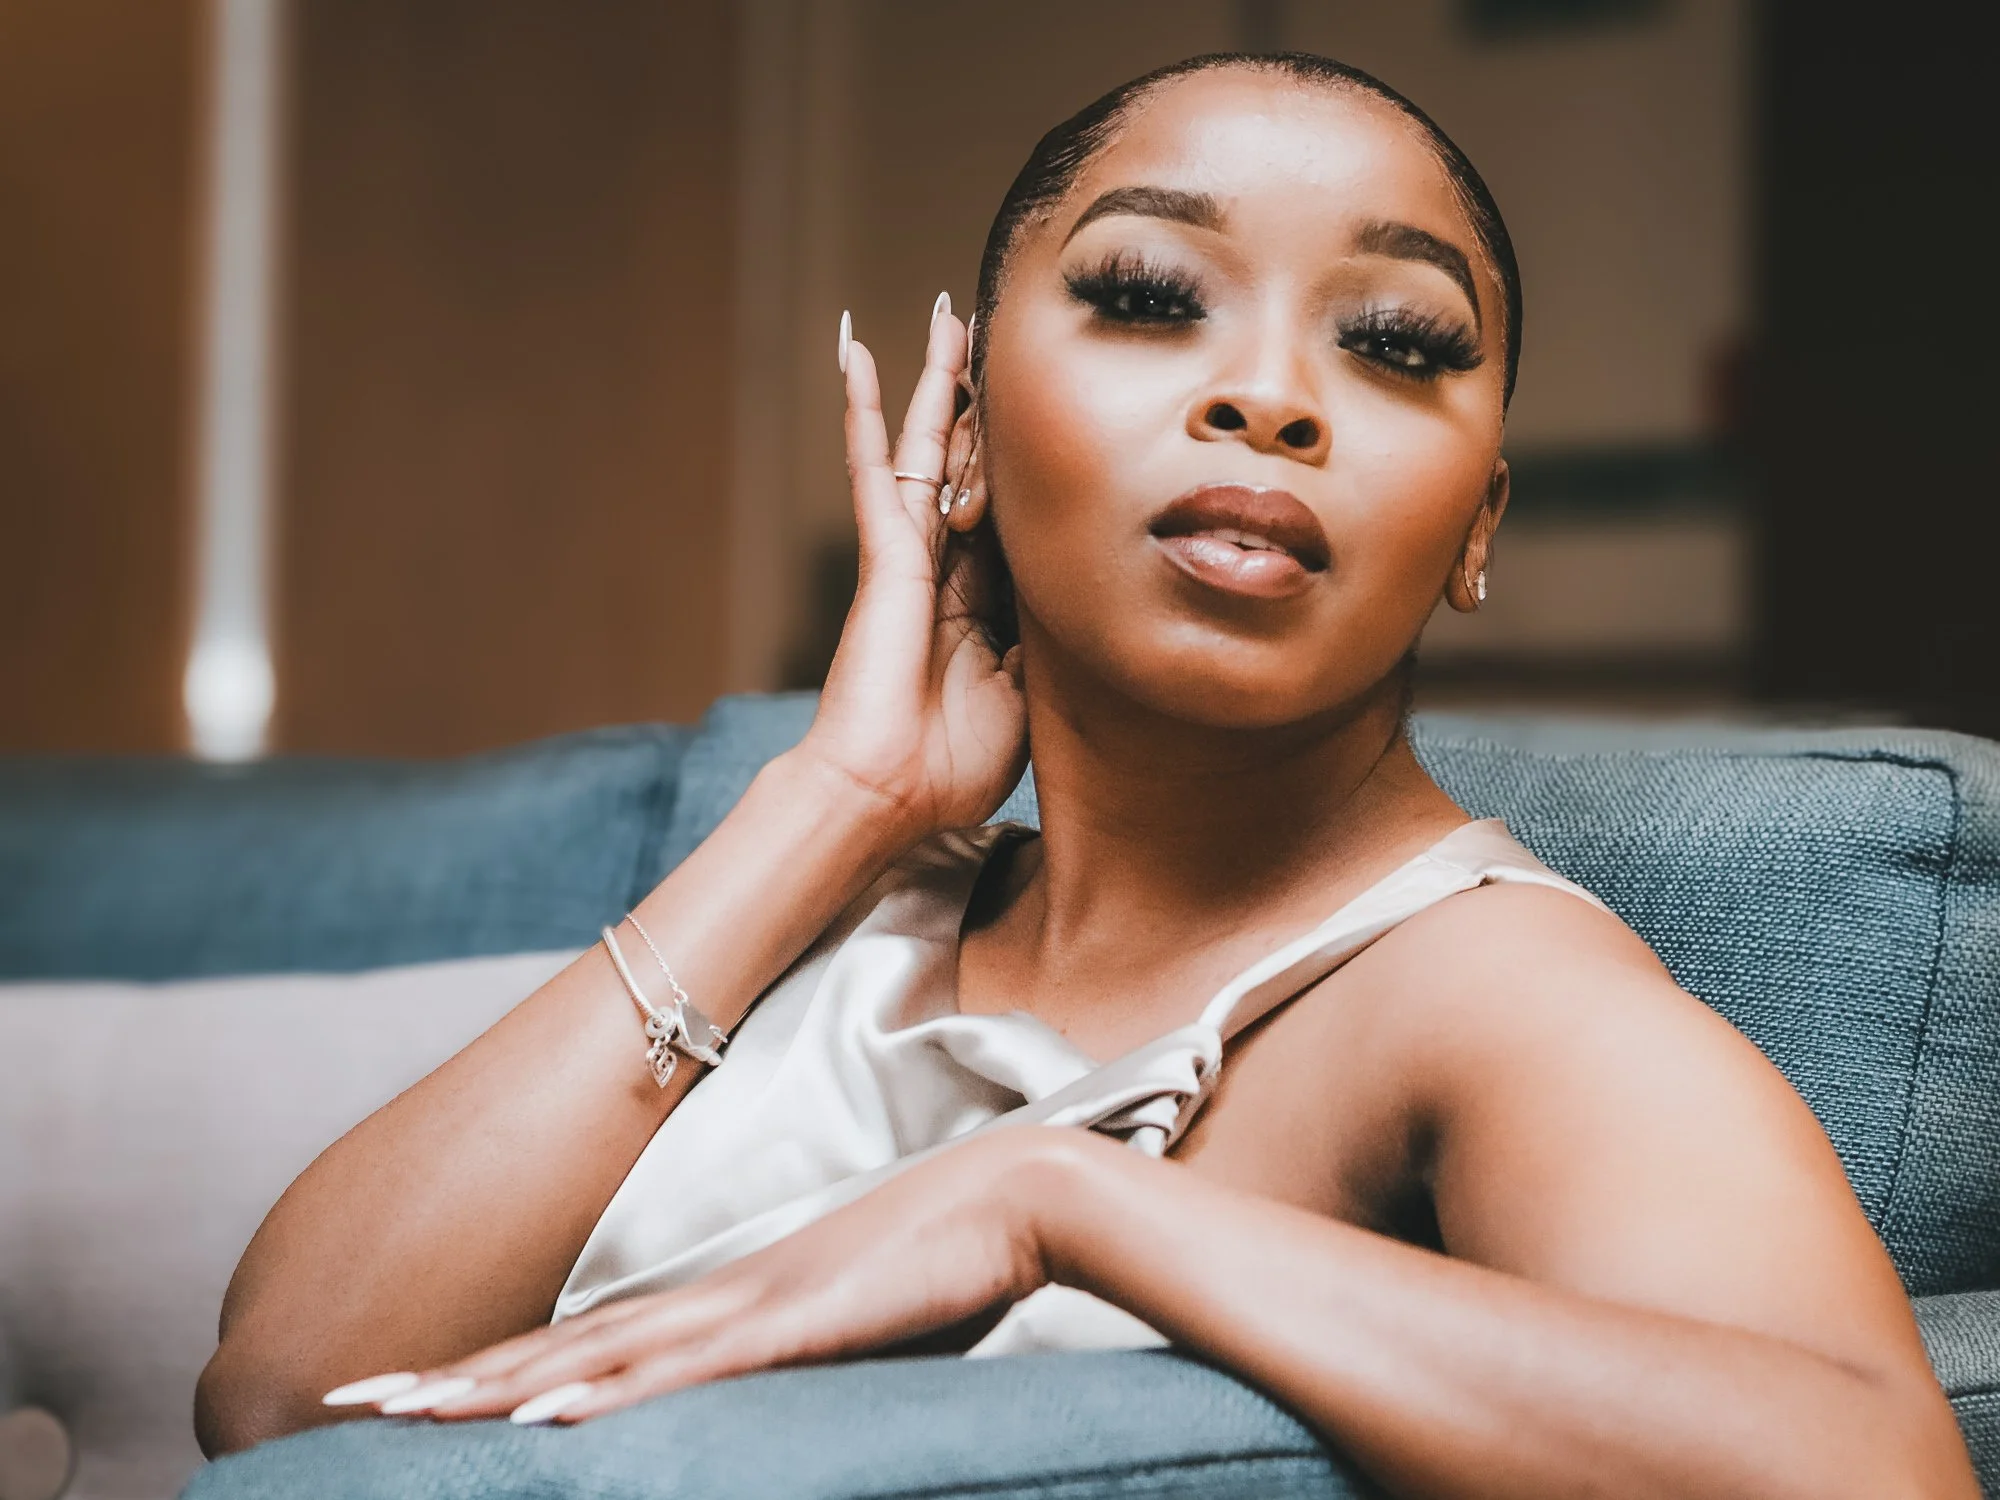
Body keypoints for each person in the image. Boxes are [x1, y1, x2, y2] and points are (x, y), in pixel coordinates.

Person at [194, 52, 1977, 1498]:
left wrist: (1052, 1202)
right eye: (1150, 297)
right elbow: (282, 1387)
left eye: (1398, 341)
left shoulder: (1480, 986)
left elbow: (1873, 1469)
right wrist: (839, 799)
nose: (1274, 396)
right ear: (958, 442)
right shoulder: (866, 892)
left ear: (1475, 534)